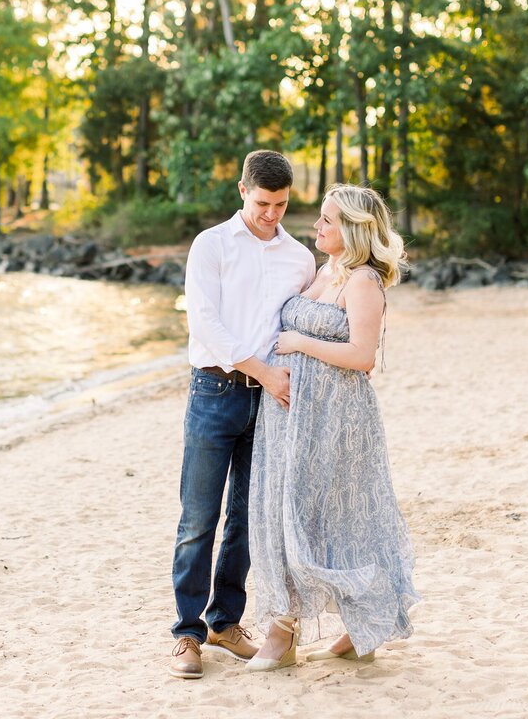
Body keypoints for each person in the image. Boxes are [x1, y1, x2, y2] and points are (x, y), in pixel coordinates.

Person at [244, 184, 420, 672]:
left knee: (337, 520)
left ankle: (312, 631)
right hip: (289, 417)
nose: (316, 227)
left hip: (338, 420)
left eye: (327, 220)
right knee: (286, 515)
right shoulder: (324, 271)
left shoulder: (363, 281)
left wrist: (300, 341)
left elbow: (363, 358)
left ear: (352, 229)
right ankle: (294, 630)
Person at [168, 151, 316, 679]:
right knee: (198, 519)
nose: (272, 214)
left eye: (281, 204)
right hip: (214, 391)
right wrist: (263, 370)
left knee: (248, 521)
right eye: (262, 203)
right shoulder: (210, 245)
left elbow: (302, 324)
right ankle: (186, 635)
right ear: (242, 191)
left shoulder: (299, 257)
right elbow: (205, 323)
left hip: (271, 403)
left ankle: (224, 622)